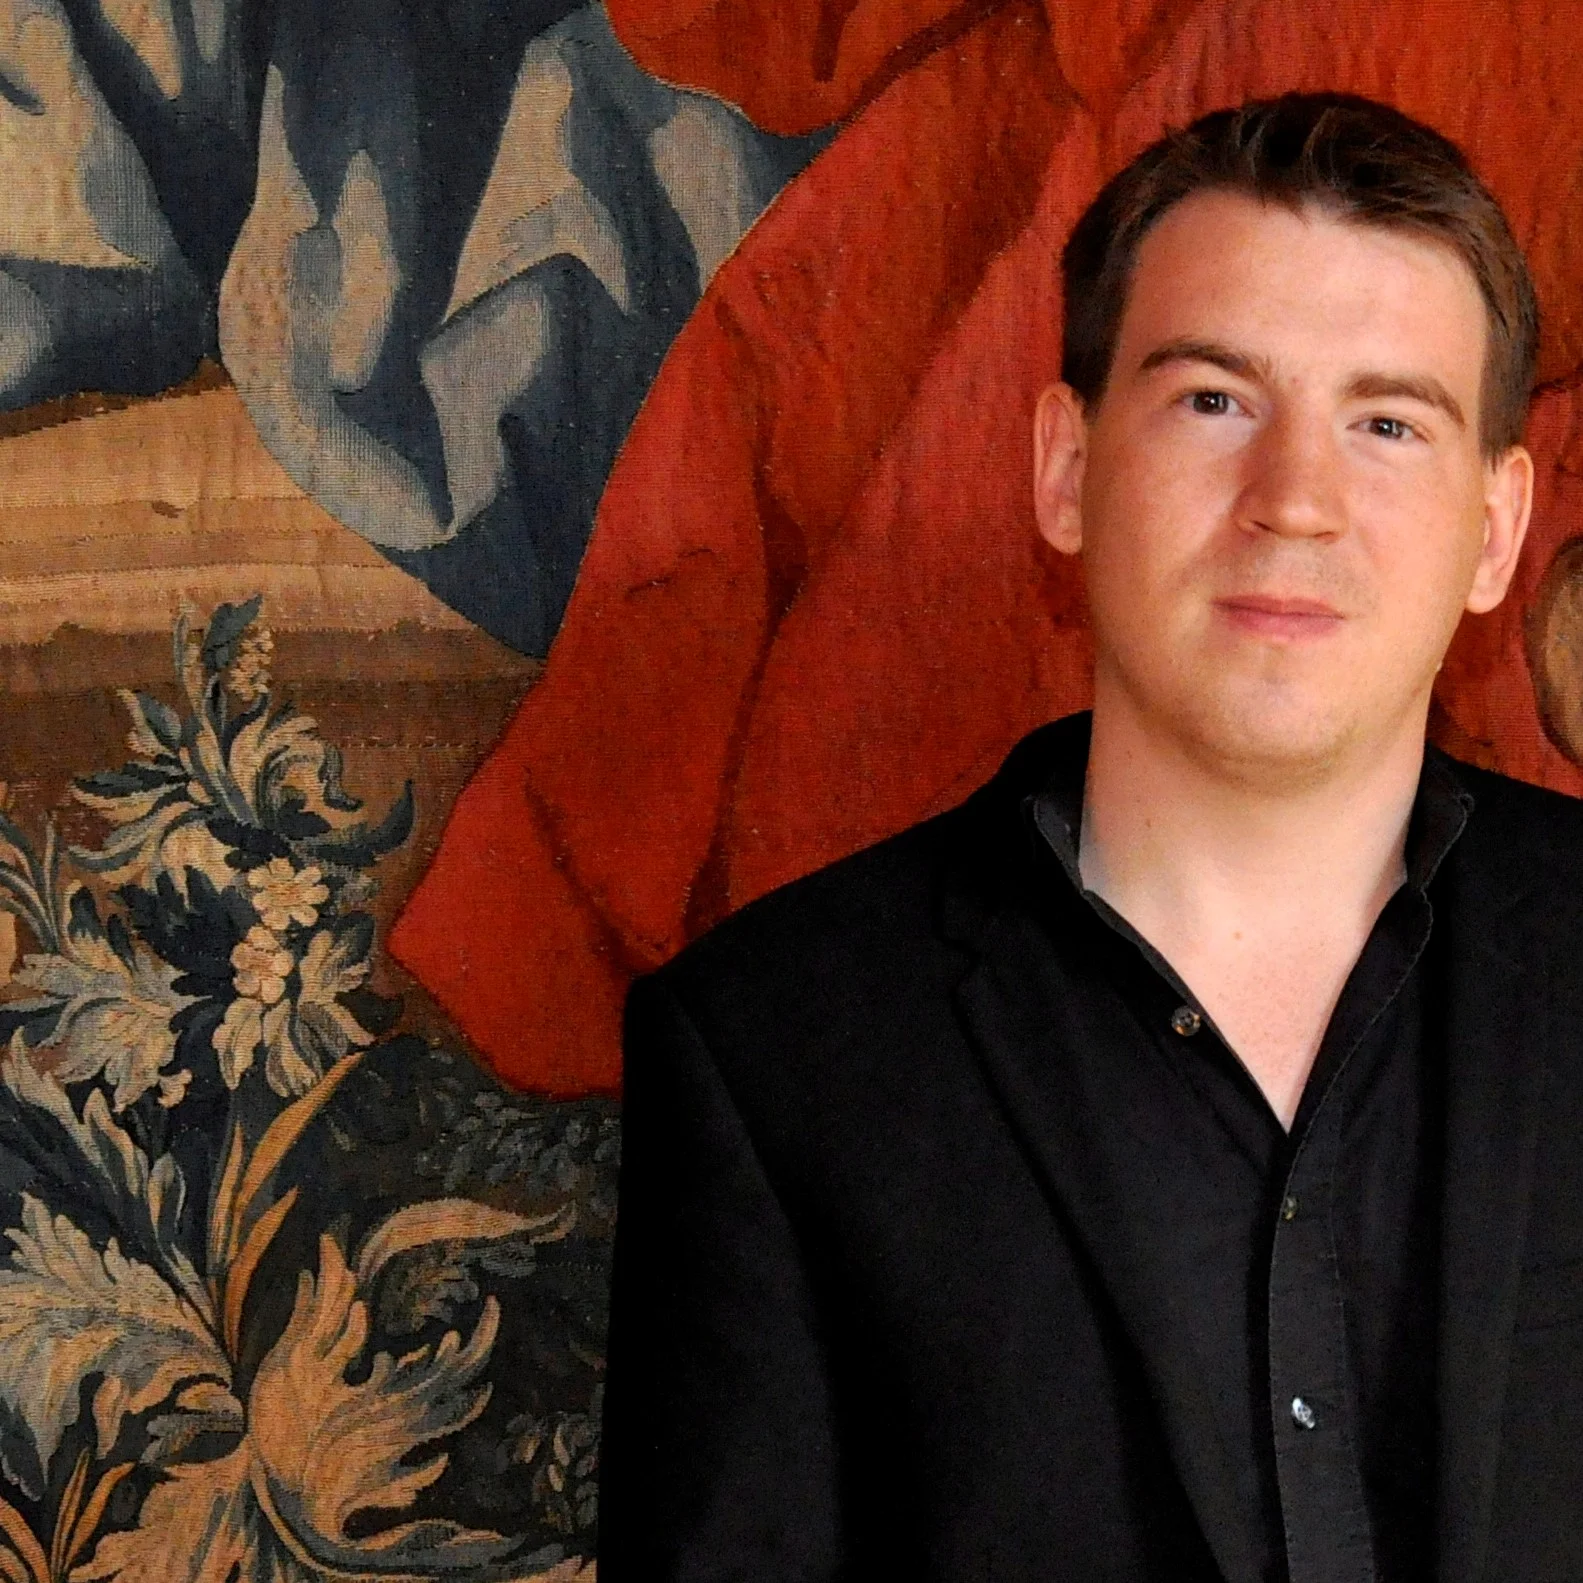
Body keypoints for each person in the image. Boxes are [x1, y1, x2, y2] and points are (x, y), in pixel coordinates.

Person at [597, 92, 1582, 1582]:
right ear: (1066, 467)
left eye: (1386, 423)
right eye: (1214, 402)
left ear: (1496, 531)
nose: (1295, 502)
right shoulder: (772, 1056)